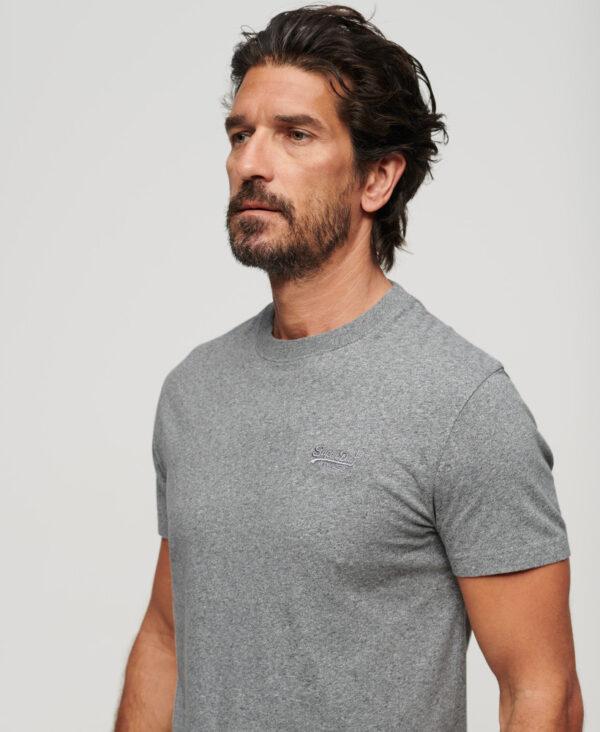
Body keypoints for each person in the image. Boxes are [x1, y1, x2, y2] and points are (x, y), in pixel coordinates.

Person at [114, 5, 583, 730]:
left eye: (295, 134)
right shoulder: (193, 392)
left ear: (377, 179)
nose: (251, 162)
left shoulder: (462, 404)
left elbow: (541, 692)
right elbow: (167, 637)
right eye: (240, 134)